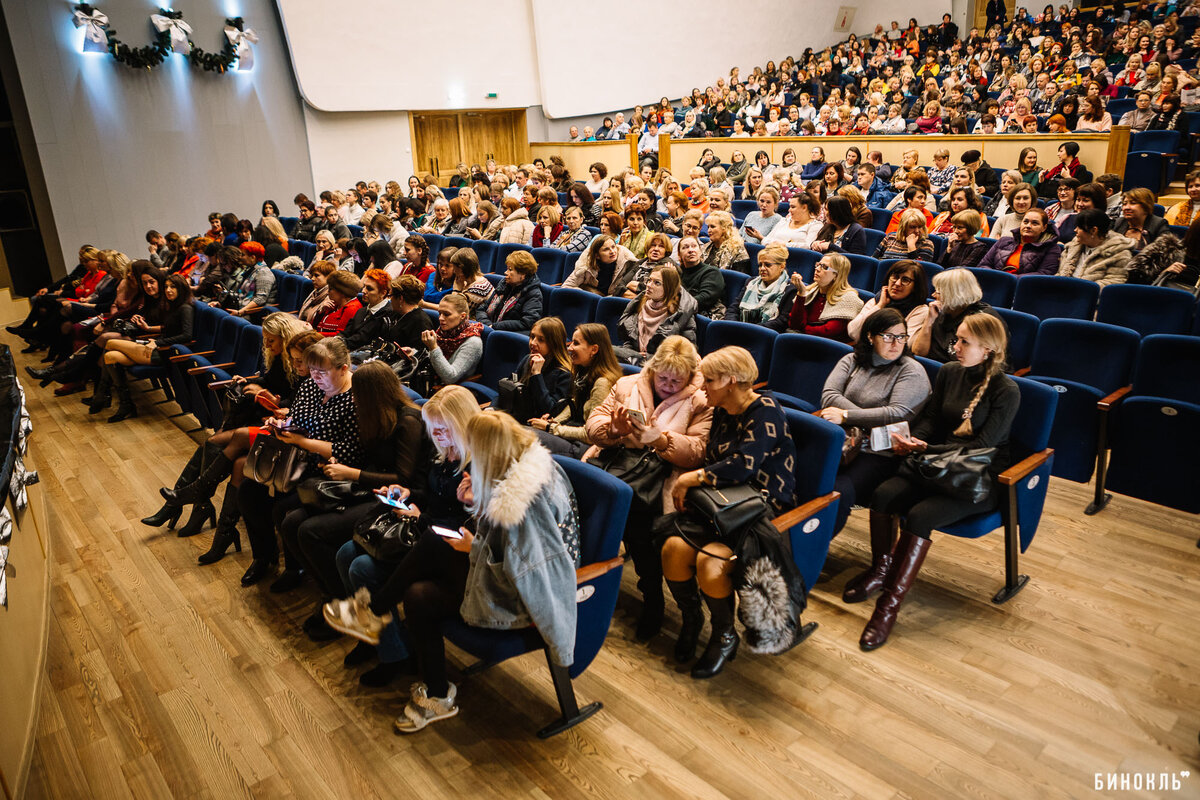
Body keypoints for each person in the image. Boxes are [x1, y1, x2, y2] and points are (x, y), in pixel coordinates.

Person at [323, 411, 581, 734]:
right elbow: (499, 536)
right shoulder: (513, 469)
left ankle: (372, 612)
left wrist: (474, 545)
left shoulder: (529, 498)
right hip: (498, 573)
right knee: (417, 594)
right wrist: (476, 502)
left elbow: (532, 570)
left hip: (525, 597)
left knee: (432, 542)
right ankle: (437, 694)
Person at [861, 314, 1019, 650]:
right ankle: (880, 571)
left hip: (976, 477)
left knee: (920, 516)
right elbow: (931, 419)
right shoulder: (949, 372)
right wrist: (912, 441)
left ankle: (888, 607)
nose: (954, 347)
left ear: (988, 350)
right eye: (956, 339)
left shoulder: (1007, 390)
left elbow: (982, 447)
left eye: (964, 342)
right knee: (883, 494)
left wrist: (925, 448)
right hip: (936, 464)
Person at [661, 346, 797, 678]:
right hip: (720, 502)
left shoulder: (765, 410)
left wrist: (690, 480)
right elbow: (713, 457)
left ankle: (724, 635)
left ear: (731, 381)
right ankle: (693, 620)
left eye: (708, 379)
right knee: (672, 550)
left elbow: (742, 467)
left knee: (711, 563)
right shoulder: (721, 407)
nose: (701, 385)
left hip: (757, 509)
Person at [280, 360, 428, 627]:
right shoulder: (373, 414)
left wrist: (351, 473)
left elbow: (403, 478)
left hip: (393, 497)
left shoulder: (408, 420)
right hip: (366, 487)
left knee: (309, 531)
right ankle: (331, 593)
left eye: (359, 394)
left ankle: (341, 602)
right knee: (291, 522)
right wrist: (341, 467)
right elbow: (366, 458)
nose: (354, 399)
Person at [585, 335, 712, 639]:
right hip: (616, 463)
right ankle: (589, 587)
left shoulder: (701, 399)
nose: (668, 385)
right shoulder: (628, 384)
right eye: (663, 377)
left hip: (662, 477)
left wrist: (662, 440)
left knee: (640, 530)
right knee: (592, 513)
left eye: (676, 381)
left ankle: (654, 600)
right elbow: (594, 422)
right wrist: (611, 431)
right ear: (653, 369)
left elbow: (699, 450)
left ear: (689, 377)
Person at [236, 338, 362, 587]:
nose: (314, 376)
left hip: (326, 471)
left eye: (321, 371)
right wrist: (281, 426)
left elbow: (348, 451)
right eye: (311, 369)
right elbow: (296, 416)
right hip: (294, 459)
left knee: (283, 508)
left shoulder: (354, 399)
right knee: (248, 491)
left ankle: (296, 569)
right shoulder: (309, 386)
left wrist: (302, 441)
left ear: (343, 369)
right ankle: (264, 556)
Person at [821, 308, 931, 552]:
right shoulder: (851, 360)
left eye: (901, 337)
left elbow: (896, 413)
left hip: (879, 450)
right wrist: (862, 419)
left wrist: (848, 415)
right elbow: (829, 396)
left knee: (839, 488)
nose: (896, 343)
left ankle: (812, 548)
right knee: (807, 473)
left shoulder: (910, 370)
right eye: (888, 336)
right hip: (843, 440)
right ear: (870, 337)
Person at [529, 323, 622, 458]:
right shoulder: (582, 372)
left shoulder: (602, 383)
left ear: (594, 349)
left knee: (527, 437)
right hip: (572, 435)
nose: (570, 348)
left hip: (585, 447)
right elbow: (574, 404)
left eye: (576, 344)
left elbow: (591, 434)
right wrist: (554, 421)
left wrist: (551, 428)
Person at [909, 268, 1004, 363]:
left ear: (953, 294)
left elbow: (979, 364)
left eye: (938, 292)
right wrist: (929, 320)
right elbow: (918, 352)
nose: (933, 295)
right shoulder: (942, 311)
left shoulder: (981, 319)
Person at [615, 264, 698, 364]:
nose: (649, 285)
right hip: (635, 359)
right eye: (649, 280)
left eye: (657, 283)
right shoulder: (640, 304)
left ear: (669, 288)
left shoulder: (681, 315)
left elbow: (683, 353)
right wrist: (630, 354)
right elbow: (630, 339)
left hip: (661, 365)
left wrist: (648, 358)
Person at [786, 253, 864, 342]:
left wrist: (802, 330)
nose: (817, 269)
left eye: (824, 267)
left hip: (829, 349)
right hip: (804, 341)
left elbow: (828, 331)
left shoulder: (849, 298)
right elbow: (794, 324)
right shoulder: (810, 291)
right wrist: (801, 293)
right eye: (818, 265)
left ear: (837, 275)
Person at [848, 260, 930, 342]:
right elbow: (853, 332)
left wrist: (871, 336)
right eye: (895, 277)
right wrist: (880, 306)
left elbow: (903, 344)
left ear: (915, 287)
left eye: (905, 280)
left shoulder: (920, 310)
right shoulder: (878, 300)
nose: (897, 283)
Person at [725, 243, 797, 332]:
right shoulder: (751, 282)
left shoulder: (790, 289)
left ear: (781, 267)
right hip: (738, 330)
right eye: (760, 265)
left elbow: (781, 321)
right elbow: (733, 309)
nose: (762, 268)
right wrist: (733, 325)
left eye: (767, 265)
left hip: (764, 335)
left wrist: (750, 330)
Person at [420, 293, 484, 387]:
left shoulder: (473, 342)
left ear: (462, 316)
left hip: (451, 390)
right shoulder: (444, 332)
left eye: (446, 314)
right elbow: (430, 358)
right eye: (440, 313)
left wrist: (433, 347)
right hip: (429, 379)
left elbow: (450, 378)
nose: (440, 318)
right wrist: (413, 354)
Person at [979, 208, 1063, 275]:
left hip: (1024, 290)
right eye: (1025, 222)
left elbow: (1044, 274)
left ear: (1044, 228)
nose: (1028, 226)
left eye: (1035, 223)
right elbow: (983, 265)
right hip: (997, 284)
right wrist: (998, 277)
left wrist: (1010, 279)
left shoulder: (1051, 249)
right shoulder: (1003, 241)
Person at [476, 251, 542, 333]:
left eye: (510, 269)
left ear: (523, 274)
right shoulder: (504, 284)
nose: (505, 272)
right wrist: (488, 325)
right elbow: (482, 309)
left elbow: (527, 322)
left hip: (508, 336)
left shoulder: (533, 293)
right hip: (492, 330)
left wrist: (495, 327)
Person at [562, 234, 638, 296]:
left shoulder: (628, 263)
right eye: (606, 249)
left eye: (613, 247)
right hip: (591, 301)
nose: (612, 251)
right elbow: (566, 286)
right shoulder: (586, 263)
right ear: (597, 255)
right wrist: (589, 295)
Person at [339, 269, 395, 351]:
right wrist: (336, 339)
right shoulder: (361, 311)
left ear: (383, 293)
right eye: (364, 286)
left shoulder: (388, 314)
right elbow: (346, 332)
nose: (363, 291)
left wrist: (337, 343)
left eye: (369, 289)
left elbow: (362, 339)